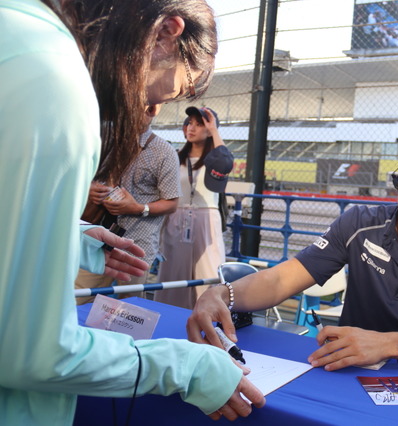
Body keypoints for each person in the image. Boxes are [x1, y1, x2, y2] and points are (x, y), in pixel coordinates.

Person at [0, 1, 264, 424]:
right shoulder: (56, 83)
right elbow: (30, 351)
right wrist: (188, 367)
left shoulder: (21, 33)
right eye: (174, 89)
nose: (151, 105)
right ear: (166, 33)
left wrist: (69, 236)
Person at [188, 118, 398, 374]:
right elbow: (280, 279)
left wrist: (393, 345)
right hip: (343, 372)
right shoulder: (360, 223)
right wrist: (223, 294)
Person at [75, 104, 181, 304]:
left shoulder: (163, 151)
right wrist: (89, 189)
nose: (126, 109)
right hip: (97, 239)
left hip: (136, 243)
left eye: (135, 105)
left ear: (152, 110)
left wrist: (138, 208)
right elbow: (78, 177)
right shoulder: (103, 143)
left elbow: (172, 202)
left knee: (129, 310)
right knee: (78, 297)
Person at [155, 106, 233, 309]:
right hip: (176, 220)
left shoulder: (215, 159)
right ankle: (170, 321)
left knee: (209, 274)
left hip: (206, 219)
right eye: (189, 123)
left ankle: (209, 320)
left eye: (200, 124)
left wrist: (214, 130)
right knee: (172, 276)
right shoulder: (175, 158)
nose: (192, 128)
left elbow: (225, 161)